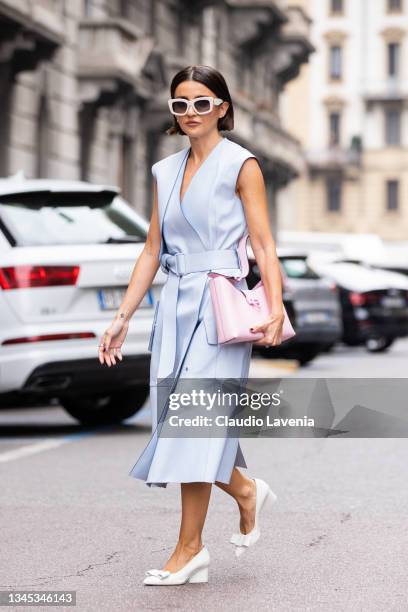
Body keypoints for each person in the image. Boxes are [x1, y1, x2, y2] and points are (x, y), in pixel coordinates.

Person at [97, 65, 285, 586]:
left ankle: (189, 548)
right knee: (182, 421)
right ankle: (245, 490)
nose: (192, 113)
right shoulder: (163, 170)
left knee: (193, 423)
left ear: (222, 107)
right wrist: (122, 316)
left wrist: (274, 305)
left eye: (202, 103)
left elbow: (264, 244)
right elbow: (153, 249)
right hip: (175, 306)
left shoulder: (242, 165)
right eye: (181, 104)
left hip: (221, 309)